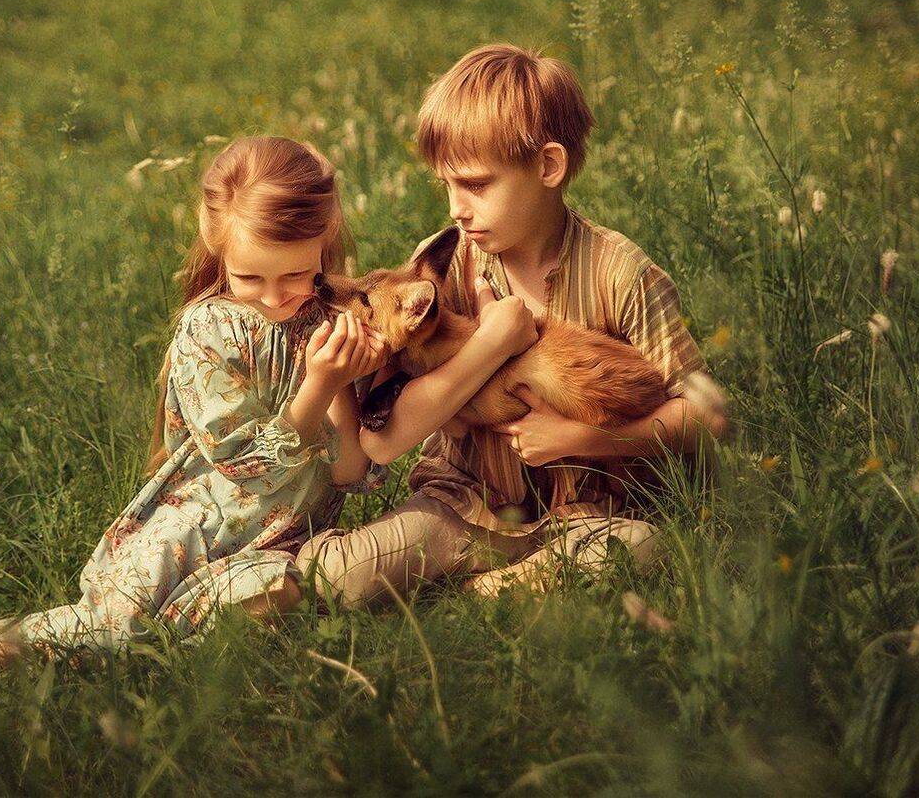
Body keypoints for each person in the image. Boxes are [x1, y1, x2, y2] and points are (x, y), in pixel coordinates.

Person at [0, 136, 388, 662]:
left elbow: (350, 473)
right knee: (118, 629)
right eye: (250, 277)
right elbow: (244, 469)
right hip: (194, 530)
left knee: (238, 618)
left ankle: (169, 632)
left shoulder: (338, 328)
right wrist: (317, 385)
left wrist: (341, 382)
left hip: (280, 544)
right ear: (218, 245)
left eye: (296, 274)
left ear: (324, 245)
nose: (275, 297)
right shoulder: (209, 332)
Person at [296, 44, 731, 605]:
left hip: (587, 514)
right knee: (335, 577)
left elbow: (707, 412)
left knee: (637, 548)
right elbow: (384, 425)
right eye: (447, 186)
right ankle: (498, 586)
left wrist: (588, 439)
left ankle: (485, 592)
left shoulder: (621, 272)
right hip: (461, 504)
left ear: (548, 166)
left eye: (476, 186)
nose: (457, 207)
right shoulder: (446, 261)